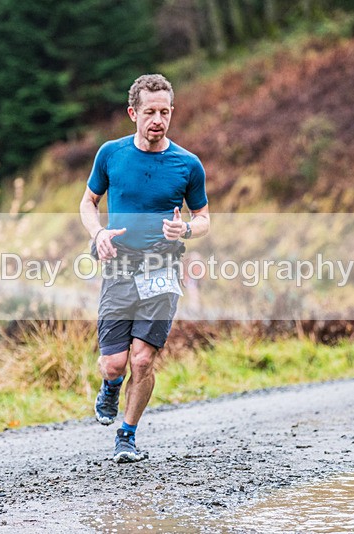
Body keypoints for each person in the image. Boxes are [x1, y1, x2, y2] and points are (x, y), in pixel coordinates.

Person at [79, 74, 210, 463]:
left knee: (142, 359)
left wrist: (186, 229)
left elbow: (204, 217)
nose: (158, 120)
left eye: (165, 112)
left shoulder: (188, 164)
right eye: (150, 112)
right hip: (119, 268)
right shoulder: (111, 154)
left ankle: (127, 435)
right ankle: (110, 387)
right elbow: (88, 202)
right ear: (133, 113)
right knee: (114, 363)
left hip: (162, 268)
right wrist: (99, 232)